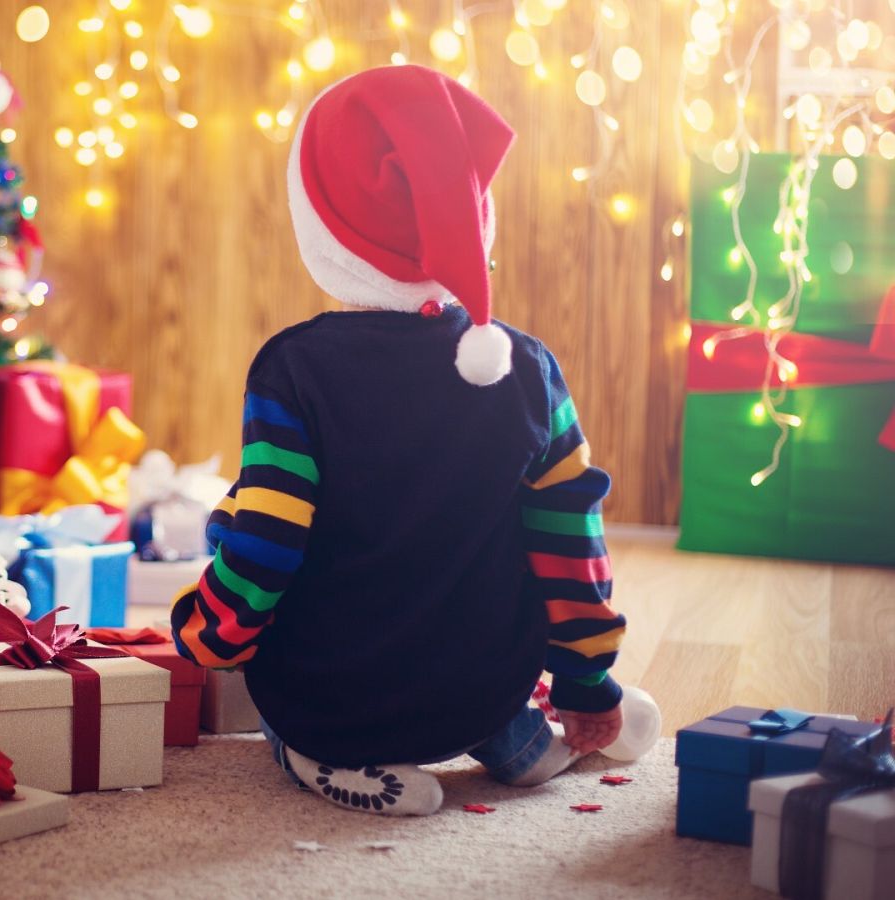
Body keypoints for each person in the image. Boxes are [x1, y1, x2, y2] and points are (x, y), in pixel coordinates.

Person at [169, 64, 657, 815]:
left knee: (262, 631)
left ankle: (328, 760)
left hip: (332, 693)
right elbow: (571, 540)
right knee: (487, 658)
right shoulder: (526, 366)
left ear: (322, 233)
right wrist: (586, 680)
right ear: (475, 219)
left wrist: (209, 635)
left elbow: (268, 540)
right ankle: (525, 744)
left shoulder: (292, 370)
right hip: (480, 685)